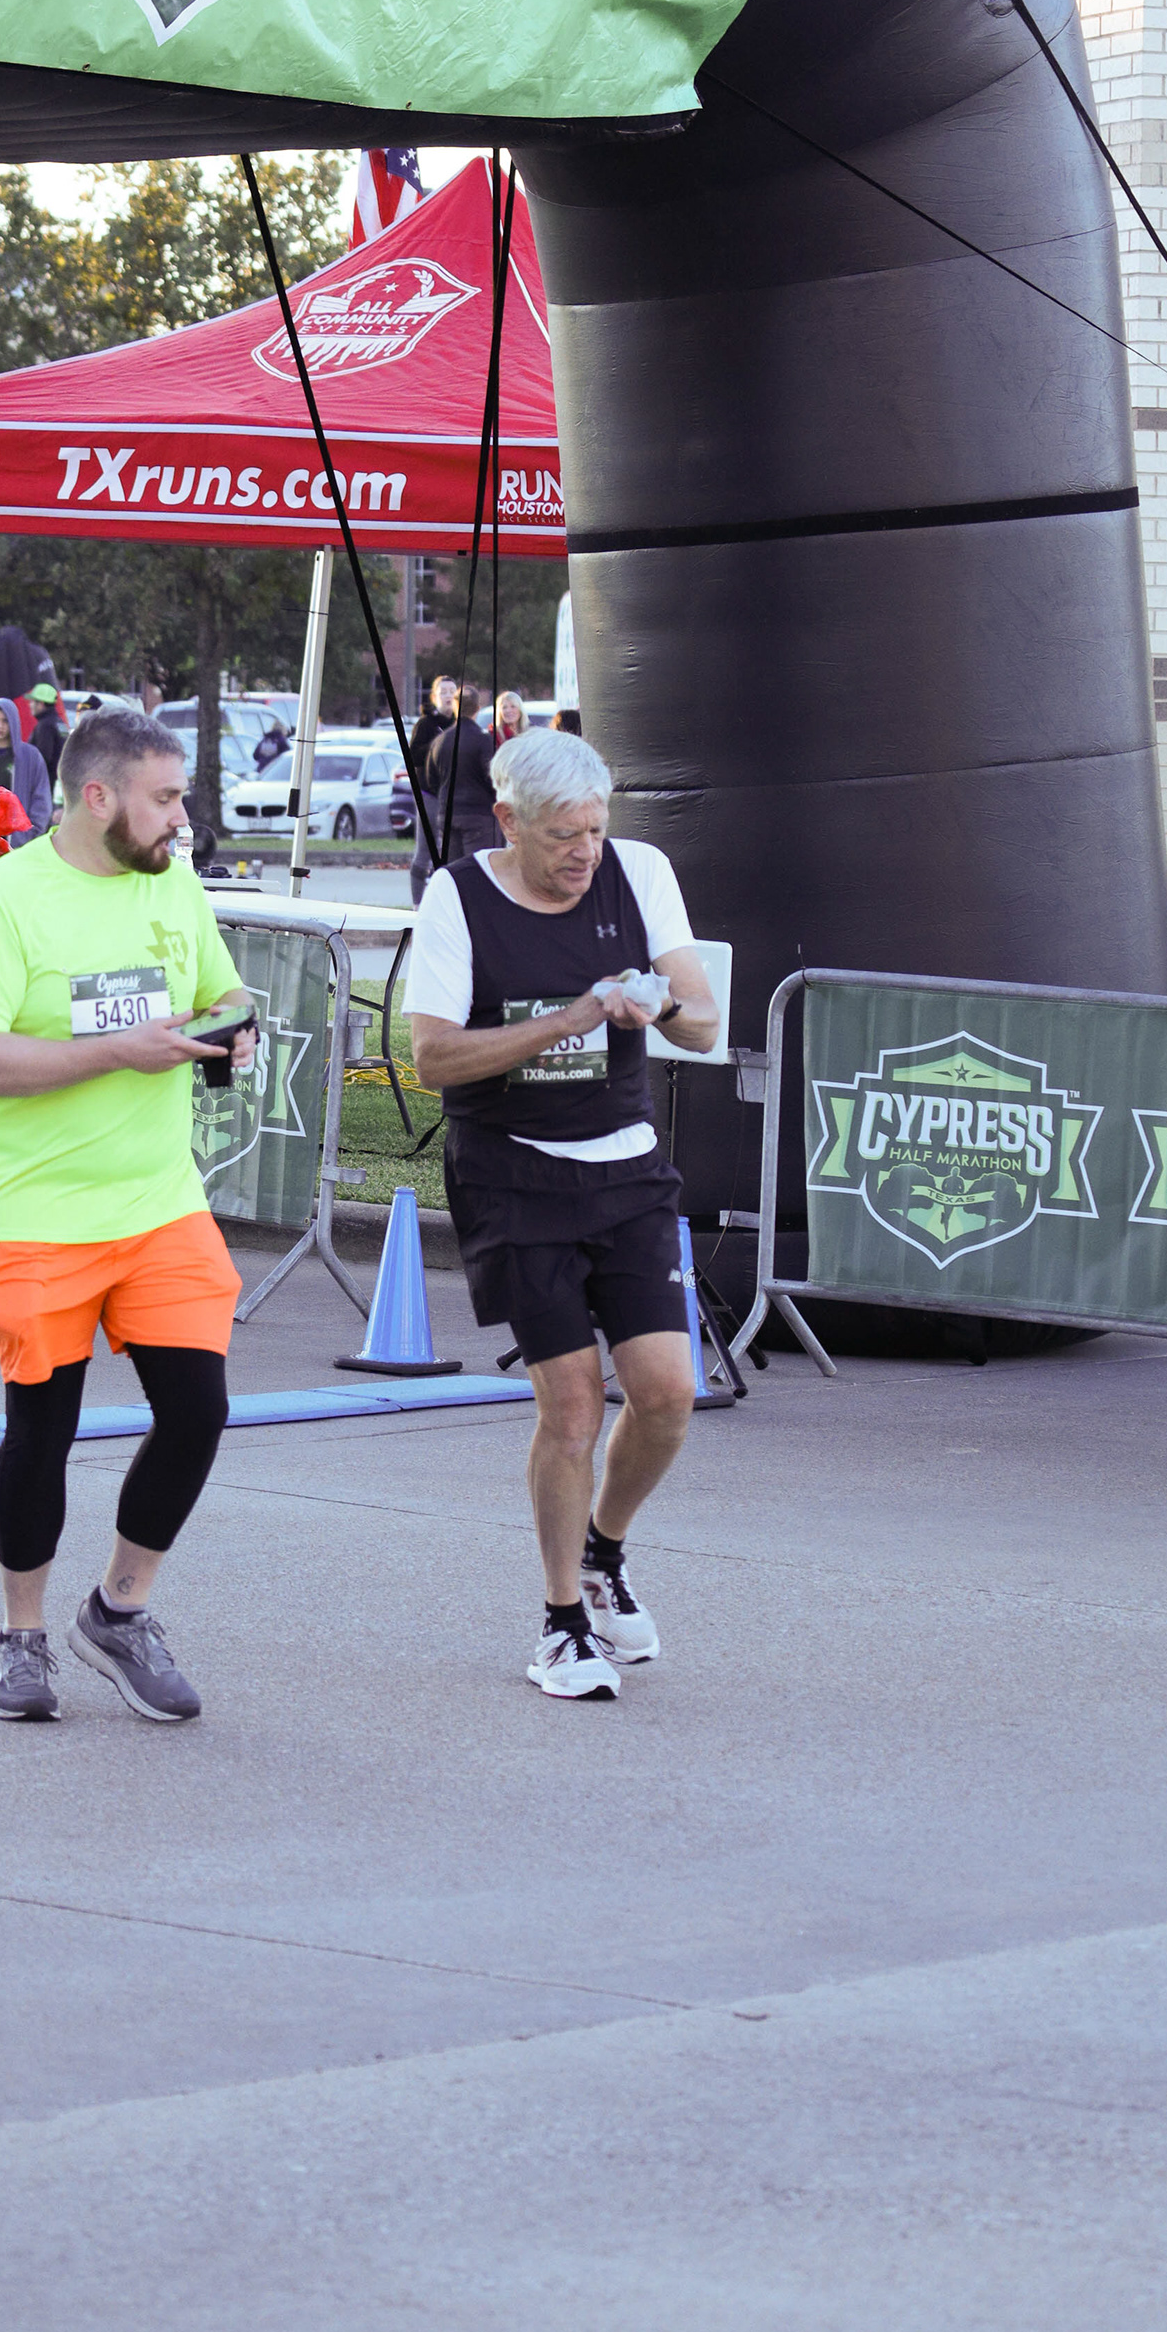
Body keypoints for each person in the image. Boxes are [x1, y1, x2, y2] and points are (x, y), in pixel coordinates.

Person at [0, 705, 257, 1727]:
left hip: (159, 1202)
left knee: (198, 1411)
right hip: (38, 1209)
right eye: (163, 799)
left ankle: (119, 1611)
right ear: (97, 796)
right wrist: (117, 1051)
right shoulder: (2, 901)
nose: (180, 819)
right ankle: (20, 1637)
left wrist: (233, 1028)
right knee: (44, 1428)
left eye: (181, 798)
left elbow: (223, 991)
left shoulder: (174, 883)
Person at [405, 728, 718, 1703]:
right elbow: (432, 1058)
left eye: (595, 830)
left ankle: (603, 1550)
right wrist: (566, 1021)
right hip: (513, 1175)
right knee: (573, 1407)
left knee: (668, 1394)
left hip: (628, 1169)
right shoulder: (458, 896)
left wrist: (658, 1007)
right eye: (561, 835)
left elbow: (706, 1021)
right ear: (508, 820)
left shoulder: (640, 872)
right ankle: (560, 1623)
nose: (584, 852)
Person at [424, 684, 499, 863]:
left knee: (454, 869)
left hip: (447, 813)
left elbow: (431, 780)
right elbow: (493, 778)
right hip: (478, 815)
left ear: (455, 706)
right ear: (478, 708)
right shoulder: (483, 740)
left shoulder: (440, 741)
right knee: (479, 868)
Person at [406, 675, 457, 906]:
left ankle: (444, 904)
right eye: (443, 692)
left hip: (455, 796)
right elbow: (413, 756)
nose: (448, 696)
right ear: (435, 696)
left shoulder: (461, 723)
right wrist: (438, 743)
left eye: (452, 692)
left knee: (451, 853)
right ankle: (417, 905)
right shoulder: (426, 724)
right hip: (430, 794)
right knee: (425, 851)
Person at [0, 697, 54, 833]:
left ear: (13, 721)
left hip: (18, 838)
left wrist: (32, 832)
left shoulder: (30, 756)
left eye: (5, 720)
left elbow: (41, 796)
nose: (0, 726)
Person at [27, 679, 66, 785]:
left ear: (41, 703)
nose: (30, 705)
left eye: (32, 701)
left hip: (48, 784)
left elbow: (43, 757)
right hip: (60, 781)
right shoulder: (59, 722)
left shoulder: (45, 725)